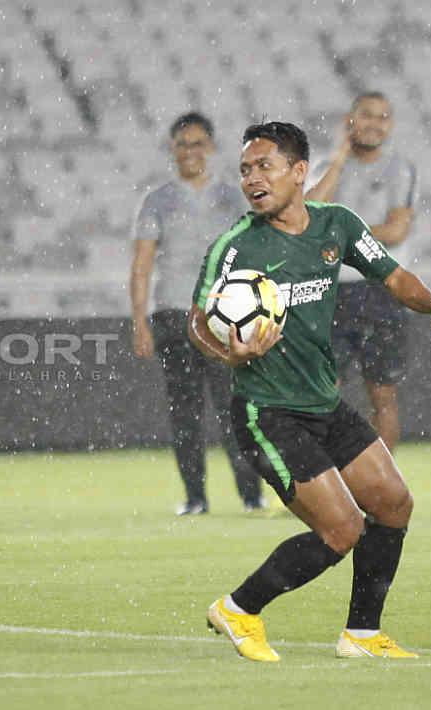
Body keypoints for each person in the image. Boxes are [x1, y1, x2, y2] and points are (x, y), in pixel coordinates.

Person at [187, 122, 431, 661]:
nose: (252, 178)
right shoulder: (236, 245)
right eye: (246, 169)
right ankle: (239, 608)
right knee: (341, 529)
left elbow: (392, 275)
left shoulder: (336, 226)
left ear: (300, 173)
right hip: (267, 412)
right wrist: (232, 352)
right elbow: (199, 323)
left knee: (393, 504)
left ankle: (361, 635)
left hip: (324, 403)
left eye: (264, 166)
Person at [130, 112, 264, 515]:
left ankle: (251, 496)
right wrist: (140, 321)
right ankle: (195, 498)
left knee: (234, 409)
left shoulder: (233, 198)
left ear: (211, 148)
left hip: (226, 316)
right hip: (175, 314)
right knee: (185, 412)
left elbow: (257, 253)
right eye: (183, 144)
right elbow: (142, 265)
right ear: (172, 149)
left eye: (198, 143)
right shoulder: (157, 200)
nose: (191, 151)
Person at [306, 92, 417, 450]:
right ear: (349, 120)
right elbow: (308, 216)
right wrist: (339, 158)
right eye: (367, 115)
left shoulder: (399, 168)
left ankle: (384, 491)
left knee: (382, 396)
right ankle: (324, 488)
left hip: (382, 290)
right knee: (323, 394)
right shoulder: (326, 166)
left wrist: (340, 235)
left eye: (383, 117)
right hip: (332, 293)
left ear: (391, 125)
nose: (375, 123)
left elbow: (397, 230)